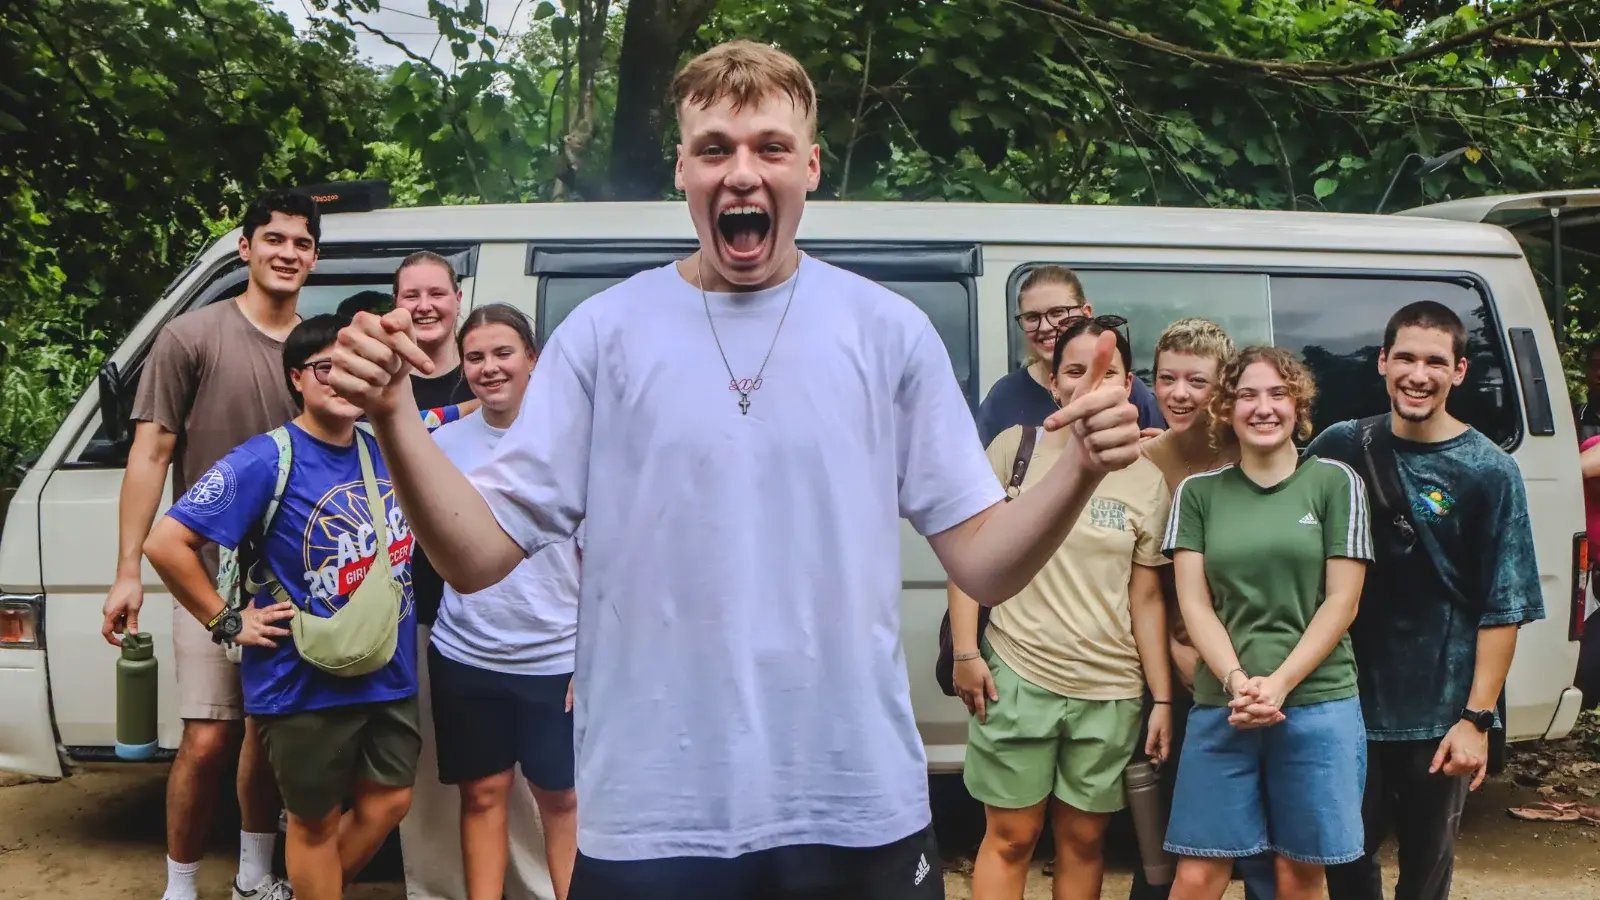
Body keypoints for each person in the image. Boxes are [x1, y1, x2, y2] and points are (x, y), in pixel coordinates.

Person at [326, 39, 1143, 900]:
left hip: (854, 802)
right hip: (649, 813)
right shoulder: (603, 334)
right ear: (682, 169)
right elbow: (474, 557)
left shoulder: (887, 331)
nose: (742, 172)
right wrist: (394, 416)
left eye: (771, 148)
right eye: (714, 148)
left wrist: (1080, 469)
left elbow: (984, 562)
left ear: (810, 167)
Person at [144, 315, 421, 900]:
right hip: (301, 678)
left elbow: (452, 417)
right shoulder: (263, 459)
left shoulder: (384, 448)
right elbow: (166, 543)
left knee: (391, 800)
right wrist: (226, 621)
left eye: (351, 367)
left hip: (386, 668)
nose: (340, 380)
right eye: (325, 368)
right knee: (313, 823)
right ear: (296, 377)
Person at [103, 189, 320, 900]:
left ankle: (255, 879)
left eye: (302, 243)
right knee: (208, 738)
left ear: (314, 259)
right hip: (204, 574)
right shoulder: (191, 337)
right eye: (274, 239)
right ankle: (180, 886)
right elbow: (150, 453)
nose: (288, 253)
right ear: (245, 248)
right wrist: (127, 571)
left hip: (290, 580)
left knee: (267, 737)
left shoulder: (318, 351)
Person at [1306, 301, 1544, 900]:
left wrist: (1476, 721)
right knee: (1345, 865)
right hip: (1344, 701)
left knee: (1426, 874)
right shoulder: (1340, 446)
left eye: (1435, 362)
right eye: (1406, 358)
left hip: (1441, 713)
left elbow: (1505, 607)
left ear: (1458, 371)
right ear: (1383, 362)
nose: (1419, 374)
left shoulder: (1489, 471)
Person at [950, 318, 1173, 900]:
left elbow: (1145, 596)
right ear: (1053, 383)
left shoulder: (1147, 479)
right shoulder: (1014, 449)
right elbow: (969, 554)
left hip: (1110, 690)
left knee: (1083, 842)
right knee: (1012, 837)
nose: (1089, 383)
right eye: (1075, 371)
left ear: (1128, 386)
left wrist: (1161, 697)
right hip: (1018, 674)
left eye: (1107, 372)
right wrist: (967, 653)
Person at [1162, 346, 1372, 900]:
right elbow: (1194, 604)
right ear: (1225, 408)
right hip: (1224, 707)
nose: (1263, 407)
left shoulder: (1335, 483)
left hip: (1317, 705)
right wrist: (1238, 682)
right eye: (1247, 395)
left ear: (1298, 405)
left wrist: (1278, 684)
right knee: (1198, 873)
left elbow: (1342, 601)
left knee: (1298, 875)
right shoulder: (1198, 494)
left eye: (1278, 394)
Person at [424, 304, 580, 900]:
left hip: (557, 658)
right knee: (482, 795)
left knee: (561, 799)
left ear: (533, 359)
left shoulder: (571, 440)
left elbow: (604, 560)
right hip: (467, 653)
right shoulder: (442, 445)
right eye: (475, 357)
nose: (489, 368)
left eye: (503, 353)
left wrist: (592, 656)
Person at [1130, 319, 1276, 900]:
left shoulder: (1255, 453)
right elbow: (1143, 586)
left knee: (1265, 837)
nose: (1179, 394)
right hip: (1177, 669)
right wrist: (1173, 655)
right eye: (1166, 379)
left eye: (1197, 380)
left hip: (1259, 667)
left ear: (1224, 388)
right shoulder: (1144, 461)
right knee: (1172, 836)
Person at [974, 265, 1165, 447]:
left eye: (1057, 312)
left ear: (1086, 313)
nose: (1045, 327)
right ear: (1054, 384)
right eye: (1032, 317)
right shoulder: (1004, 396)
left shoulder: (1128, 391)